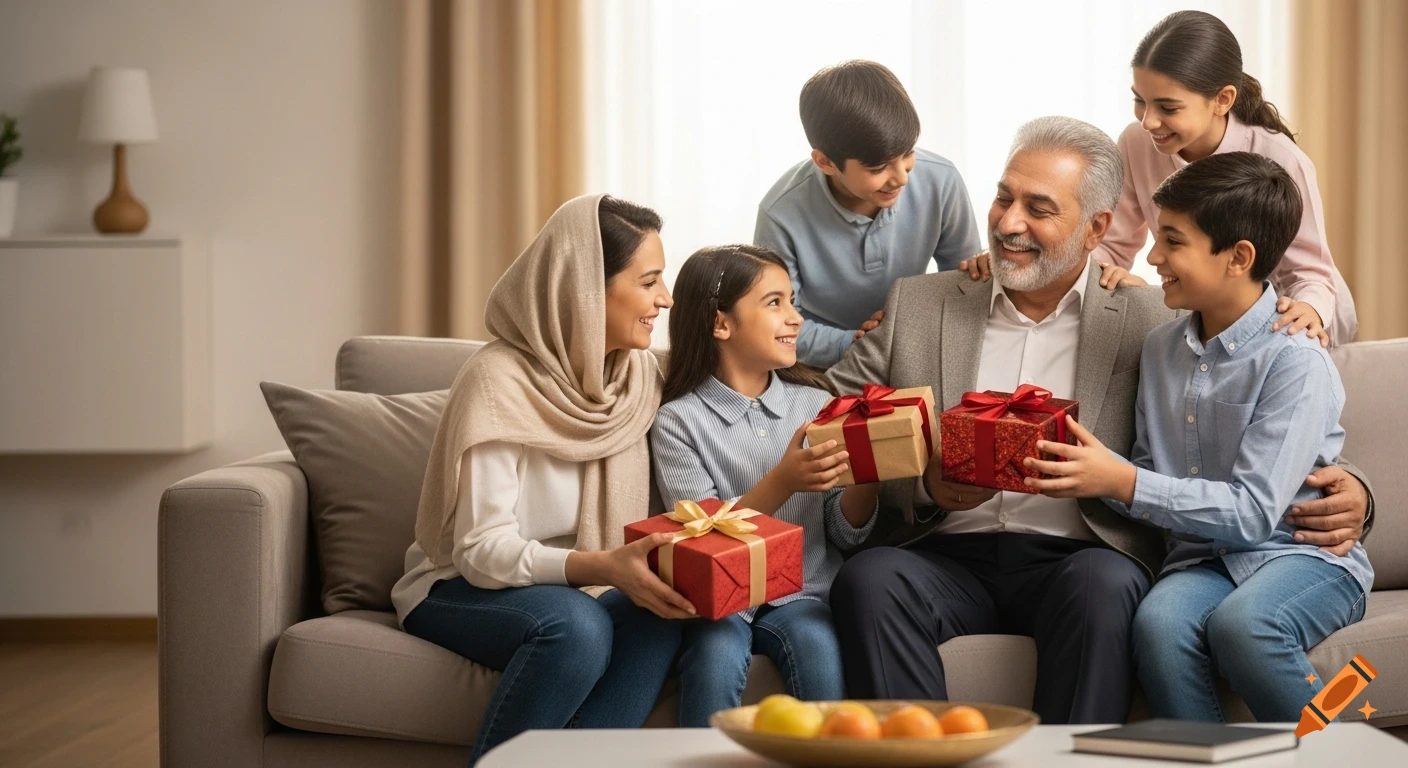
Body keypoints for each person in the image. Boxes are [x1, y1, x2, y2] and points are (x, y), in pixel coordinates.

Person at [825, 117, 1374, 725]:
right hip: (944, 554)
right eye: (1004, 197)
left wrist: (1353, 487)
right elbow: (822, 417)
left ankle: (1346, 742)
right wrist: (925, 485)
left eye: (1038, 208)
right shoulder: (920, 304)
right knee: (870, 578)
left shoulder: (1152, 320)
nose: (1008, 222)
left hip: (1085, 556)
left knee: (1124, 591)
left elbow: (1264, 426)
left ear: (1096, 229)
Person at [1022, 152, 1371, 722]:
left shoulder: (1297, 362)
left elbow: (1255, 514)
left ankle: (1352, 750)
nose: (1153, 257)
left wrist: (1127, 482)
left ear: (1239, 257)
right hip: (1202, 564)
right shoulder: (1160, 348)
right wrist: (1079, 473)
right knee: (1157, 624)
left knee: (1245, 626)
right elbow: (1140, 469)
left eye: (1173, 242)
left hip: (1302, 557)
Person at [393, 195, 690, 765]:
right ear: (584, 288)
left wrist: (853, 343)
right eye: (649, 280)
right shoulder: (498, 381)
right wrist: (602, 567)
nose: (665, 299)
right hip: (461, 585)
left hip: (573, 588)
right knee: (577, 628)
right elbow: (479, 552)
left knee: (663, 617)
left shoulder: (634, 378)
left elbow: (733, 360)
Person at [960, 10, 1356, 347]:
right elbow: (1109, 246)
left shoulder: (1281, 159)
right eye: (1139, 100)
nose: (1148, 121)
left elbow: (1310, 273)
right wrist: (1021, 257)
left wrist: (1309, 312)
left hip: (1287, 322)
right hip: (1206, 317)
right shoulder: (1137, 142)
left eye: (1167, 107)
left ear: (1223, 99)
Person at [651, 244, 878, 726]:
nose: (795, 318)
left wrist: (870, 474)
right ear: (721, 324)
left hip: (805, 594)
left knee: (817, 650)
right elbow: (704, 539)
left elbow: (843, 531)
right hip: (722, 603)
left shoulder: (815, 404)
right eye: (775, 303)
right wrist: (783, 482)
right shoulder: (678, 421)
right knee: (714, 657)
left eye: (792, 301)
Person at [755, 60, 980, 368]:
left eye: (908, 153)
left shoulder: (941, 180)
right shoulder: (780, 213)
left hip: (915, 349)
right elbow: (776, 323)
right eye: (877, 168)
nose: (901, 177)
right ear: (825, 162)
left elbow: (964, 284)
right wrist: (851, 342)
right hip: (825, 363)